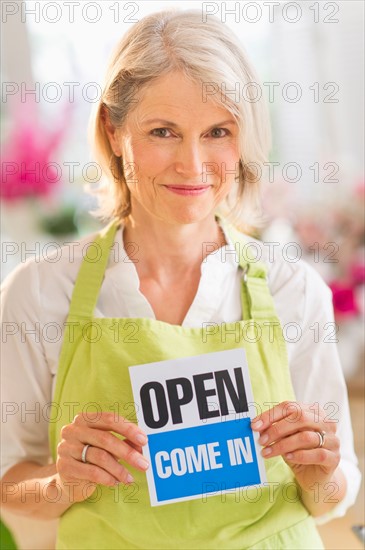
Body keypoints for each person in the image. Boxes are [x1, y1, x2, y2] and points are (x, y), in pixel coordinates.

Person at [0, 8, 361, 550]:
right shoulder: (39, 292)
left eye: (218, 132)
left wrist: (319, 472)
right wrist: (60, 484)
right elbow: (10, 480)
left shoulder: (293, 290)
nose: (193, 166)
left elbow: (337, 494)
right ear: (113, 131)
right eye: (162, 131)